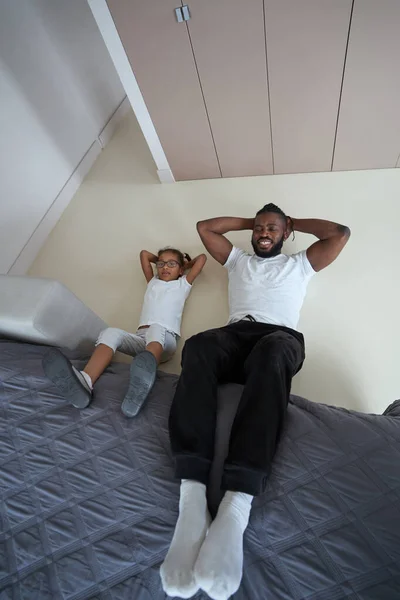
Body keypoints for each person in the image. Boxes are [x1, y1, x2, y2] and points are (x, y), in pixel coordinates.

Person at [160, 204, 350, 600]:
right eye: (260, 228)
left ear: (285, 234)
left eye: (273, 229)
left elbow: (339, 233)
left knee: (274, 352)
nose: (265, 232)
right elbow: (204, 226)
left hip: (277, 338)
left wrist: (290, 224)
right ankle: (192, 496)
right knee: (198, 346)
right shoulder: (238, 261)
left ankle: (237, 503)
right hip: (235, 335)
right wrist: (254, 222)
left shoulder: (299, 265)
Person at [43, 247, 207, 417]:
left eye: (171, 264)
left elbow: (202, 258)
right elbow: (144, 254)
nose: (165, 267)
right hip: (142, 340)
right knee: (111, 332)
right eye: (161, 264)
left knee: (156, 328)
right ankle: (86, 380)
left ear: (181, 270)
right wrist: (167, 261)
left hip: (165, 341)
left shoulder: (183, 284)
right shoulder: (152, 281)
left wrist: (186, 264)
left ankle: (146, 378)